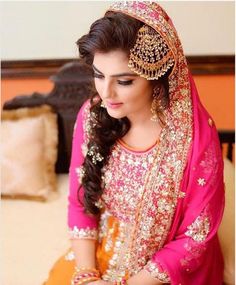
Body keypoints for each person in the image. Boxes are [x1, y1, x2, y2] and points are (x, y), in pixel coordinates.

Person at [44, 2, 224, 285]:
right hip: (102, 255)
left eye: (124, 81)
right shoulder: (92, 117)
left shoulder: (196, 137)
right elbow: (80, 202)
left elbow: (196, 234)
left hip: (166, 272)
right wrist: (88, 275)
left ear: (157, 78)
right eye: (99, 75)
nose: (106, 93)